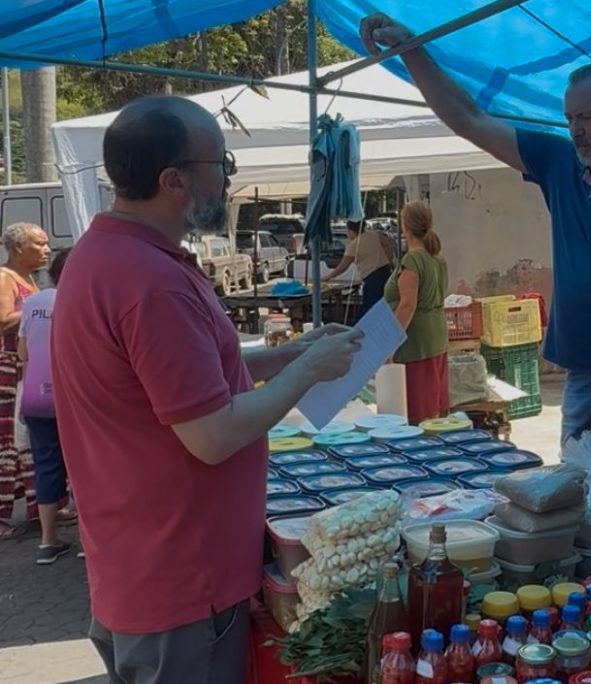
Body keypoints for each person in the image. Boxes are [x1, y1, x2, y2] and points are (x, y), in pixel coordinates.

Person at [51, 95, 363, 684]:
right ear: (173, 180)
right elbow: (212, 434)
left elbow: (183, 377)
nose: (226, 180)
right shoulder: (151, 280)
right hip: (181, 580)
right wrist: (307, 371)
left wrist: (291, 353)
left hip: (141, 561)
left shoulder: (109, 254)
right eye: (220, 165)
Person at [360, 15, 591, 461]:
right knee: (580, 503)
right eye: (568, 118)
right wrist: (413, 49)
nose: (575, 129)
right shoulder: (559, 164)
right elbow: (469, 120)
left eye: (586, 117)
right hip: (580, 376)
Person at [17, 247, 72, 563]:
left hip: (36, 396)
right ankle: (89, 544)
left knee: (46, 463)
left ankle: (48, 540)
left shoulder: (33, 303)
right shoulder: (79, 299)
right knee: (83, 464)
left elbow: (23, 353)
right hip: (72, 396)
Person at [0, 222, 49, 540]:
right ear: (19, 248)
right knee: (7, 441)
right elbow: (4, 320)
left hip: (23, 369)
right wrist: (37, 306)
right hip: (6, 369)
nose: (46, 250)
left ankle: (39, 505)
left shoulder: (27, 279)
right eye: (39, 244)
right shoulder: (4, 278)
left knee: (24, 440)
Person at [385, 201, 450, 424]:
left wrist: (388, 344)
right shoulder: (437, 257)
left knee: (418, 414)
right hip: (436, 335)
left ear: (405, 226)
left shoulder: (413, 260)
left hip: (416, 342)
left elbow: (407, 305)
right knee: (434, 411)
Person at [324, 219, 396, 316]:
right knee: (385, 306)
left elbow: (343, 266)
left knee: (371, 309)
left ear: (351, 231)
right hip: (386, 272)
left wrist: (329, 276)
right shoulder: (373, 235)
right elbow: (388, 243)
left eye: (347, 230)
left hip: (372, 278)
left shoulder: (354, 245)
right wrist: (389, 258)